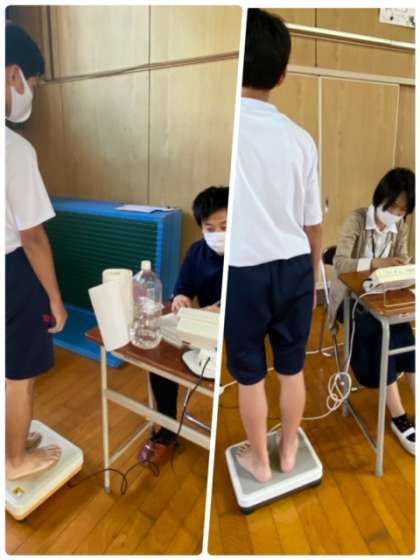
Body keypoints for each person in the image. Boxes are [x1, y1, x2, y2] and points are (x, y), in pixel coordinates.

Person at [224, 9, 323, 483]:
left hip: (244, 272)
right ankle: (287, 452)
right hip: (295, 267)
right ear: (282, 74)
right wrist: (314, 275)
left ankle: (260, 463)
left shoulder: (227, 128)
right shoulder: (301, 140)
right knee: (291, 368)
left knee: (249, 375)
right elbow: (313, 224)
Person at [6, 22, 68, 479]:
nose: (32, 94)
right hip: (12, 272)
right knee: (20, 373)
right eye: (34, 84)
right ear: (14, 76)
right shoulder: (14, 149)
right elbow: (33, 237)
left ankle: (12, 436)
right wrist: (55, 299)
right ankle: (14, 460)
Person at [138, 186, 228, 466]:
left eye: (225, 227)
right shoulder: (197, 252)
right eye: (210, 228)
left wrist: (225, 310)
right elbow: (183, 288)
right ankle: (167, 432)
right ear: (201, 227)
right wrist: (180, 298)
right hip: (204, 328)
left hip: (239, 332)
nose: (217, 234)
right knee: (160, 353)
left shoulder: (249, 255)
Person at [329, 167, 415, 455]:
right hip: (350, 299)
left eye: (403, 210)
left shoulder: (400, 227)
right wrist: (377, 263)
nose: (397, 214)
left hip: (384, 297)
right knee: (379, 332)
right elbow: (340, 263)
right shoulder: (356, 220)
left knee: (405, 333)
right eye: (393, 206)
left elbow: (402, 259)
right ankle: (399, 417)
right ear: (381, 197)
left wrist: (403, 266)